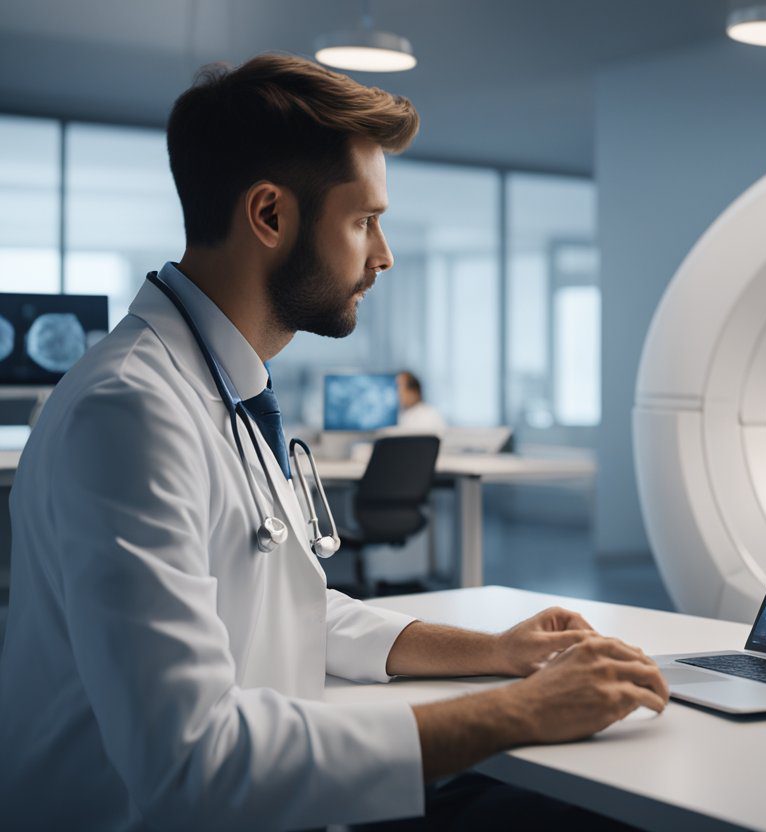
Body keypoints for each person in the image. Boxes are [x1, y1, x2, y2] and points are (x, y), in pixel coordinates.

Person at [0, 54, 667, 829]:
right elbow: (192, 764)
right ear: (271, 216)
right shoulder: (130, 413)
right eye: (364, 221)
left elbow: (297, 611)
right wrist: (519, 712)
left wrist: (497, 652)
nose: (381, 256)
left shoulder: (220, 385)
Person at [395, 369, 447, 435]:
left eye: (399, 387)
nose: (397, 393)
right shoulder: (404, 415)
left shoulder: (430, 415)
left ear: (413, 392)